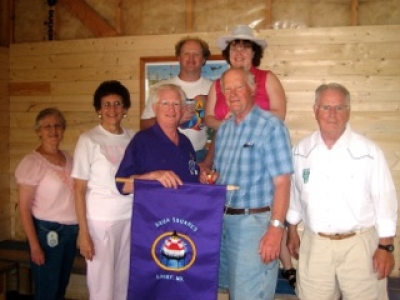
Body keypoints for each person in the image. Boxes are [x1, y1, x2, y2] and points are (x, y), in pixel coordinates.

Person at [202, 24, 295, 286]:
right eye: (227, 90)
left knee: (249, 292)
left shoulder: (270, 126)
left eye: (239, 88)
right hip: (224, 221)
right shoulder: (227, 129)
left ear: (253, 88)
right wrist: (210, 174)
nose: (232, 95)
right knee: (231, 289)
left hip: (254, 222)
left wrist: (276, 228)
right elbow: (221, 173)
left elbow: (282, 182)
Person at [286, 83, 398, 300]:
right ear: (315, 110)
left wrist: (386, 248)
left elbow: (385, 201)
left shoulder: (368, 152)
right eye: (326, 107)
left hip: (359, 248)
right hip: (315, 246)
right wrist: (292, 231)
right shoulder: (301, 151)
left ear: (348, 111)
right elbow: (296, 196)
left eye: (339, 108)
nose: (332, 114)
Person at [71, 80, 135, 300]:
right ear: (99, 109)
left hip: (129, 219)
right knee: (102, 288)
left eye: (117, 103)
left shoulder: (133, 138)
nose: (112, 109)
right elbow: (78, 190)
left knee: (123, 284)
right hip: (100, 223)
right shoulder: (88, 140)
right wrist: (84, 234)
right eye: (106, 104)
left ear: (125, 108)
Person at [15, 108, 78, 300]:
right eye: (47, 126)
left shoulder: (68, 158)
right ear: (38, 131)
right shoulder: (32, 162)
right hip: (47, 233)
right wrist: (35, 246)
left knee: (60, 288)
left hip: (70, 232)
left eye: (58, 125)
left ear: (63, 129)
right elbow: (24, 208)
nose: (53, 130)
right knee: (47, 291)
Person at [116, 83, 200, 194]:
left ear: (182, 110)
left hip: (186, 210)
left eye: (176, 104)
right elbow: (122, 185)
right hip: (155, 211)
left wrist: (202, 176)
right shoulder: (142, 140)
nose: (171, 109)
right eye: (165, 103)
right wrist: (153, 176)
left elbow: (192, 180)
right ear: (155, 108)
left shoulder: (185, 142)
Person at [140, 36, 212, 162]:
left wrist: (207, 162)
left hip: (200, 156)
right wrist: (176, 120)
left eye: (196, 54)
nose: (191, 58)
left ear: (204, 59)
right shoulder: (161, 88)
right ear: (178, 58)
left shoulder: (214, 88)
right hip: (164, 153)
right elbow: (144, 125)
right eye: (186, 54)